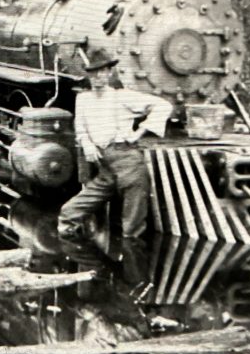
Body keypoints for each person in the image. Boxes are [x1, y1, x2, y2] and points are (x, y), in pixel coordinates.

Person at [58, 48, 173, 239]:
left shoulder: (122, 96)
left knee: (131, 229)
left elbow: (163, 106)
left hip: (128, 161)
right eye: (93, 72)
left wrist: (139, 132)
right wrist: (87, 144)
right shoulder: (83, 99)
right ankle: (78, 250)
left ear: (109, 73)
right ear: (88, 75)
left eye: (102, 72)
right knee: (68, 213)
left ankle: (132, 259)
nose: (98, 77)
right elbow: (80, 128)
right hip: (104, 166)